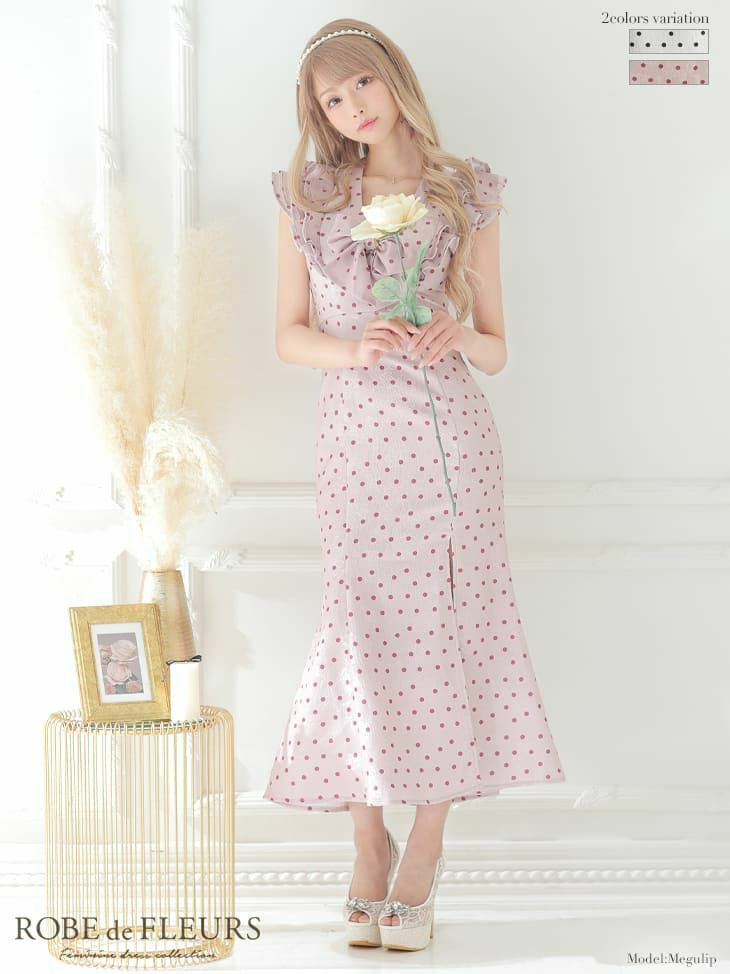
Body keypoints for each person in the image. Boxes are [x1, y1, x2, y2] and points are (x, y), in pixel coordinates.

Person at [263, 17, 566, 951]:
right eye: (331, 99)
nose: (352, 107)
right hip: (357, 446)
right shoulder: (312, 199)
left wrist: (454, 332)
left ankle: (425, 851)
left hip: (449, 445)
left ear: (393, 78)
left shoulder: (463, 190)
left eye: (361, 83)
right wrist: (354, 349)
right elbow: (288, 335)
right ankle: (368, 842)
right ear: (319, 115)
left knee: (452, 636)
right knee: (357, 636)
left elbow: (497, 349)